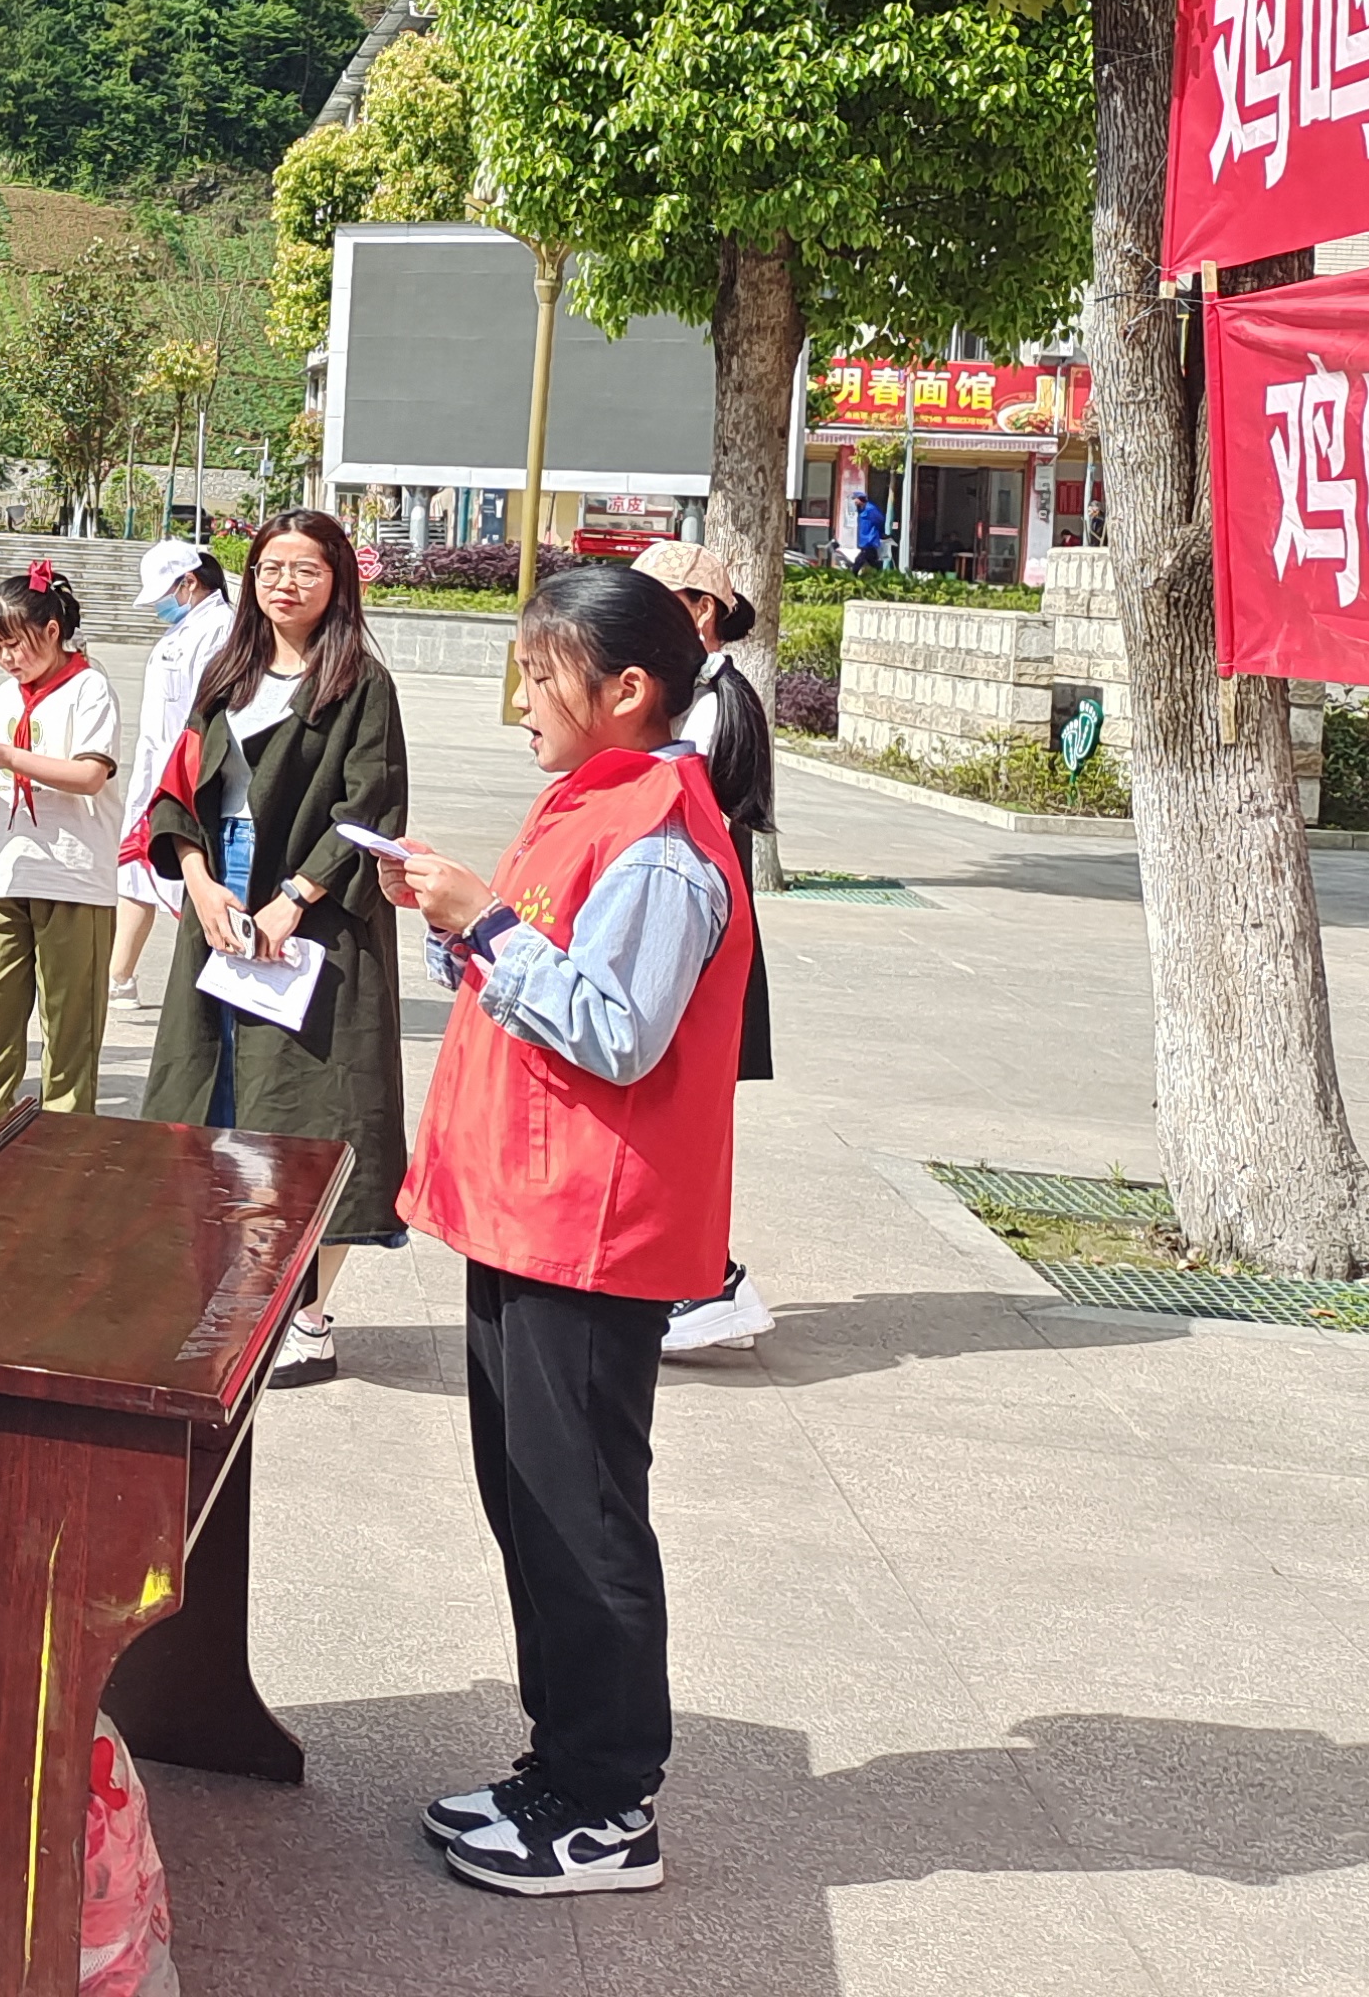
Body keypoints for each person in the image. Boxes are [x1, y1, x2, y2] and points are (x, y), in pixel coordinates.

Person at [383, 564, 752, 1900]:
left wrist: (482, 920)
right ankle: (559, 1766)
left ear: (627, 691)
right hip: (527, 1209)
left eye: (543, 675)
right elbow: (537, 965)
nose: (521, 700)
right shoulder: (589, 803)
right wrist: (457, 924)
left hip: (589, 1226)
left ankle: (608, 1805)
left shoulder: (658, 828)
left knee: (581, 1513)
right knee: (528, 1502)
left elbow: (616, 1026)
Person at [134, 508, 407, 1387]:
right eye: (270, 568)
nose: (285, 583)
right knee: (211, 1092)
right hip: (218, 906)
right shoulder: (228, 672)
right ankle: (228, 1289)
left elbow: (369, 809)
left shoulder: (360, 680)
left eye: (307, 569)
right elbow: (176, 792)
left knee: (309, 1110)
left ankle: (311, 1317)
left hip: (311, 917)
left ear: (339, 582)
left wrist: (294, 899)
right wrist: (201, 881)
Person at [633, 539, 776, 1356]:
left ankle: (708, 1281)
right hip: (688, 929)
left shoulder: (719, 705)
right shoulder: (696, 696)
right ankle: (703, 1280)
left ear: (702, 612)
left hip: (697, 936)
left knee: (682, 1114)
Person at [0, 560, 123, 1146]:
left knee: (70, 1015)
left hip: (72, 873)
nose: (7, 659)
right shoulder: (4, 695)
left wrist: (9, 758)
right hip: (5, 868)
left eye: (15, 644)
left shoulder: (89, 686)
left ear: (52, 632)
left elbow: (90, 775)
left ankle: (68, 1129)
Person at [108, 538, 231, 1016]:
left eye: (165, 592)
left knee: (191, 874)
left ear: (189, 583)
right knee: (138, 870)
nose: (159, 604)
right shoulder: (183, 633)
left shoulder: (220, 630)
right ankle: (119, 976)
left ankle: (209, 977)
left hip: (189, 774)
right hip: (159, 770)